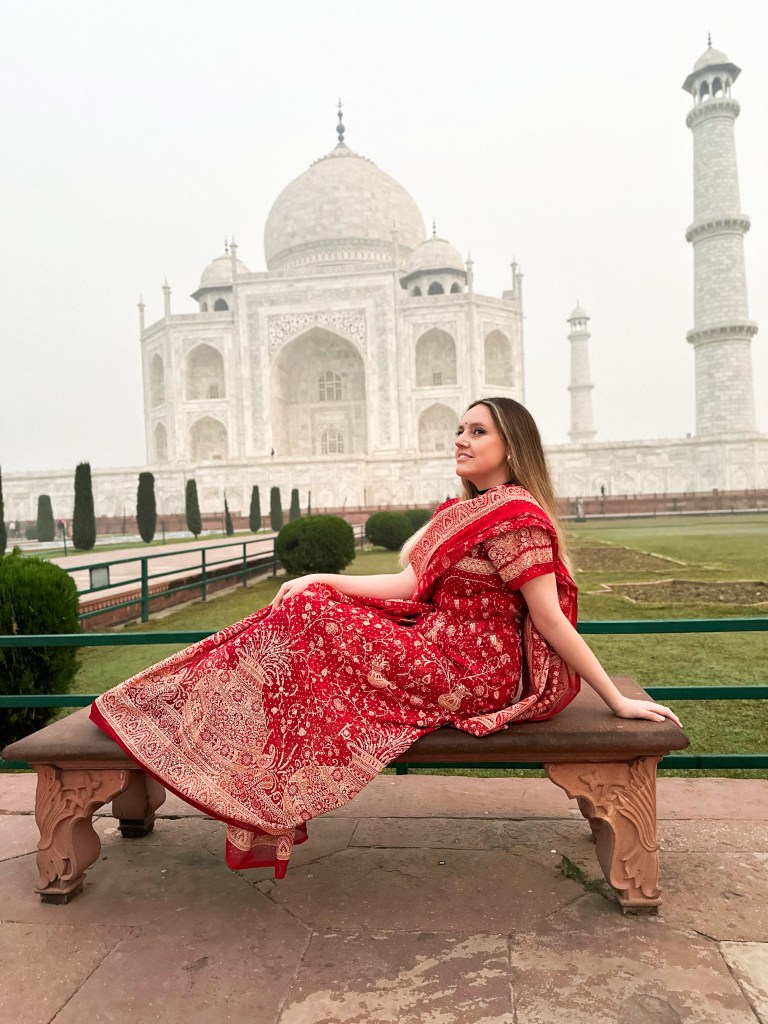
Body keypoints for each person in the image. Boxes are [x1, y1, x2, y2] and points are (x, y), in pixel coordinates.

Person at [91, 397, 680, 878]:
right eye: (459, 428)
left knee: (314, 616)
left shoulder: (517, 517)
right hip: (435, 646)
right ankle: (182, 708)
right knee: (311, 604)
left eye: (478, 431)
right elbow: (409, 583)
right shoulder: (464, 512)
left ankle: (183, 713)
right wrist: (320, 576)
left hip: (474, 672)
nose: (461, 439)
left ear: (512, 446)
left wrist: (616, 699)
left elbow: (550, 620)